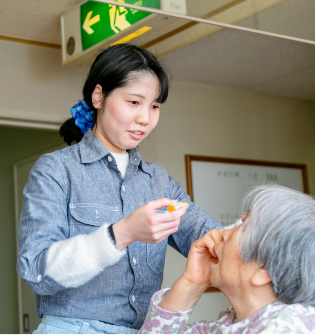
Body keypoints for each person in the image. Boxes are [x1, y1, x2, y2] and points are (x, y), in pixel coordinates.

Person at [16, 44, 223, 334]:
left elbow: (209, 236)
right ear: (98, 96)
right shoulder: (57, 170)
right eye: (134, 102)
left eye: (154, 106)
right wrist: (122, 233)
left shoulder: (159, 182)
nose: (145, 119)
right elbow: (36, 271)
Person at [140, 184, 315, 334]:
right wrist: (191, 283)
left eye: (244, 226)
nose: (223, 232)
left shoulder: (289, 326)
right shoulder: (228, 324)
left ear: (264, 268)